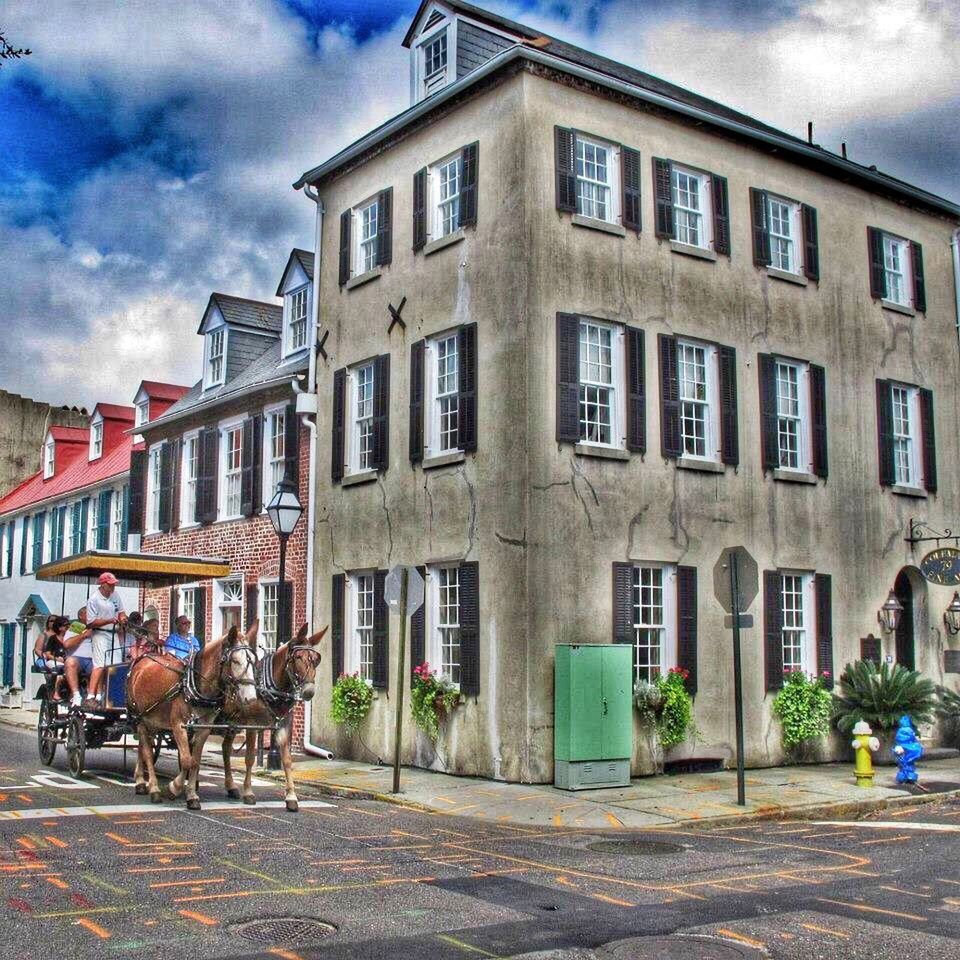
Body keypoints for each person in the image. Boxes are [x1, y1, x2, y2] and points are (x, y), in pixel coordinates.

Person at [84, 572, 127, 706]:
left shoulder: (115, 595)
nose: (113, 587)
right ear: (102, 584)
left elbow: (121, 611)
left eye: (114, 584)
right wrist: (108, 620)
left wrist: (123, 618)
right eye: (110, 585)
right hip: (100, 633)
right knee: (100, 664)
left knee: (117, 664)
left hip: (114, 633)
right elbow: (90, 622)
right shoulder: (94, 599)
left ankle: (114, 694)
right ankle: (91, 695)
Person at [64, 607, 94, 708]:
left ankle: (95, 696)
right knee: (70, 662)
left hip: (94, 660)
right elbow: (67, 644)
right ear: (81, 616)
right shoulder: (76, 627)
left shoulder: (97, 628)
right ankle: (76, 695)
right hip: (78, 659)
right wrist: (84, 635)